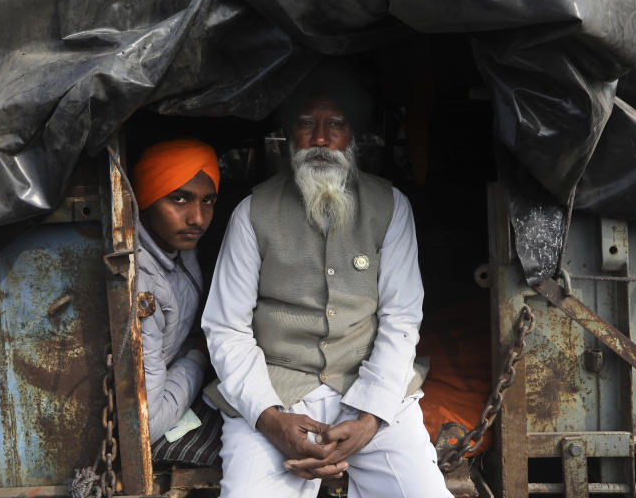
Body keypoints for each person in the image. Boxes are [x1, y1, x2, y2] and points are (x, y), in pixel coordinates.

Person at [201, 65, 451, 497]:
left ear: (353, 134)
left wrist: (370, 418)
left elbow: (401, 318)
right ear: (289, 134)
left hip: (370, 385)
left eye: (335, 124)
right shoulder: (251, 213)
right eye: (306, 124)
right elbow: (226, 327)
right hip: (276, 391)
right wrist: (271, 420)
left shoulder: (391, 206)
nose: (319, 139)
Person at [132, 139, 219, 442]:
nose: (197, 219)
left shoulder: (179, 247)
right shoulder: (139, 280)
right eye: (179, 199)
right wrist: (198, 358)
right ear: (146, 198)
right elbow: (148, 425)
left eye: (207, 201)